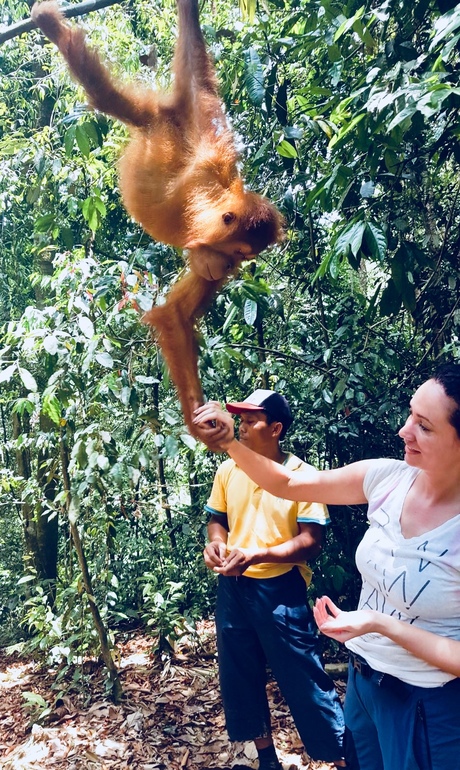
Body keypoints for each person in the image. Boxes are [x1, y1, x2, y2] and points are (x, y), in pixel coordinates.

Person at [193, 365, 460, 770]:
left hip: (426, 699)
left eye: (424, 426)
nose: (404, 431)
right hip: (364, 681)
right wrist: (230, 441)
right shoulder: (386, 477)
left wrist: (378, 623)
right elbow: (286, 484)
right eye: (410, 415)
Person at [202, 388, 346, 769]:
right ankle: (265, 757)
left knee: (303, 676)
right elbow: (217, 520)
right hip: (234, 587)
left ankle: (340, 755)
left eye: (251, 421)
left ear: (276, 428)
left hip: (280, 588)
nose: (243, 427)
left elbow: (311, 541)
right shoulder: (228, 469)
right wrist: (216, 545)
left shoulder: (302, 475)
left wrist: (257, 555)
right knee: (239, 672)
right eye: (242, 420)